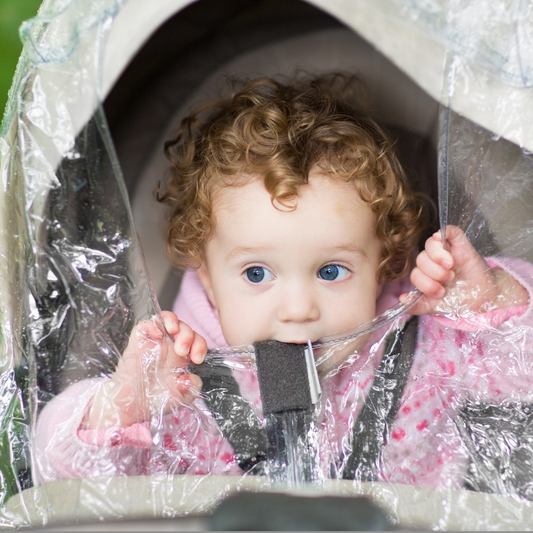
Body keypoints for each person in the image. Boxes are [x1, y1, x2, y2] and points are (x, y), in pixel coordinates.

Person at [35, 74, 533, 489]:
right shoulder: (177, 382)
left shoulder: (426, 341)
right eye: (257, 273)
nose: (297, 308)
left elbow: (521, 375)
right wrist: (121, 406)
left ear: (382, 264)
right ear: (206, 278)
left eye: (331, 271)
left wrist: (494, 308)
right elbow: (61, 474)